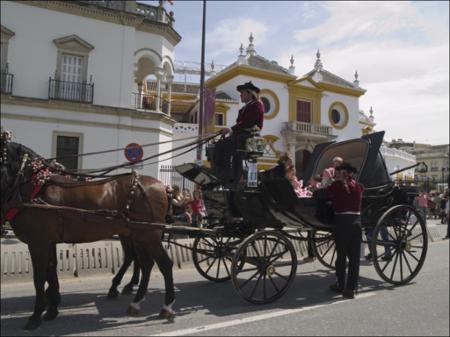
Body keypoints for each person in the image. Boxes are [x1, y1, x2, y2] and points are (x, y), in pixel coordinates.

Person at [326, 162, 364, 299]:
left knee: (341, 256)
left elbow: (324, 194)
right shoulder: (359, 187)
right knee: (354, 258)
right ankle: (351, 288)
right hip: (356, 223)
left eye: (339, 172)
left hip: (342, 222)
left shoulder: (336, 185)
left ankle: (341, 284)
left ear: (342, 173)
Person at [218, 81, 264, 186]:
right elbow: (241, 123)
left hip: (249, 137)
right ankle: (226, 173)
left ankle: (228, 175)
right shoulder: (244, 108)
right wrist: (231, 131)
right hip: (240, 136)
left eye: (242, 93)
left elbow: (248, 122)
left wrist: (230, 129)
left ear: (249, 94)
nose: (240, 95)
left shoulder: (257, 105)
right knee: (221, 145)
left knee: (224, 145)